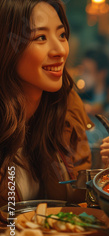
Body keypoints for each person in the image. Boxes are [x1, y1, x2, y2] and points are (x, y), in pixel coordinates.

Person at [0, 0, 92, 205]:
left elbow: (76, 206)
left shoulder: (65, 106)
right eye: (41, 37)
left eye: (61, 35)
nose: (60, 50)